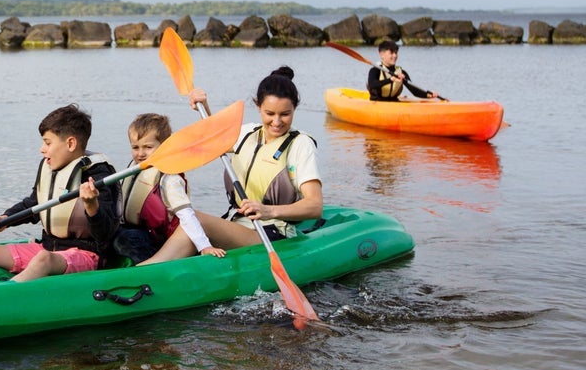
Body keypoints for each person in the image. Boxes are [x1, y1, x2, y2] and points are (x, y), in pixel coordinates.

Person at [140, 66, 323, 265]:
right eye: (269, 113)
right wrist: (203, 105)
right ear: (258, 106)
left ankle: (142, 272)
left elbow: (314, 206)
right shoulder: (246, 133)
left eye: (285, 114)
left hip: (272, 232)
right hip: (236, 224)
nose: (277, 122)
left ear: (295, 108)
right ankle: (152, 268)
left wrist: (268, 211)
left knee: (196, 219)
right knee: (187, 222)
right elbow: (212, 139)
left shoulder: (300, 145)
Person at [0, 104, 119, 282]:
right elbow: (34, 205)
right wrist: (5, 217)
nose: (42, 149)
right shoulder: (51, 167)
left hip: (85, 255)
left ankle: (0, 294)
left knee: (44, 260)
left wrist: (92, 206)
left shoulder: (98, 174)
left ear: (70, 143)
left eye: (47, 142)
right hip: (47, 248)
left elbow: (105, 233)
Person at [113, 113, 224, 264]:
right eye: (135, 147)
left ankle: (141, 272)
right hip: (134, 233)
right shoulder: (133, 168)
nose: (140, 154)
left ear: (164, 146)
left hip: (161, 241)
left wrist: (204, 246)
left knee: (126, 237)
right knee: (113, 233)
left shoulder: (169, 179)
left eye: (148, 147)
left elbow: (187, 215)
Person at [367, 40, 441, 101]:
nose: (395, 56)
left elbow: (414, 91)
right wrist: (391, 79)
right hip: (377, 102)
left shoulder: (401, 72)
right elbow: (372, 84)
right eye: (391, 53)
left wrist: (429, 95)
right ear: (382, 54)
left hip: (394, 102)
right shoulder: (375, 70)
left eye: (396, 53)